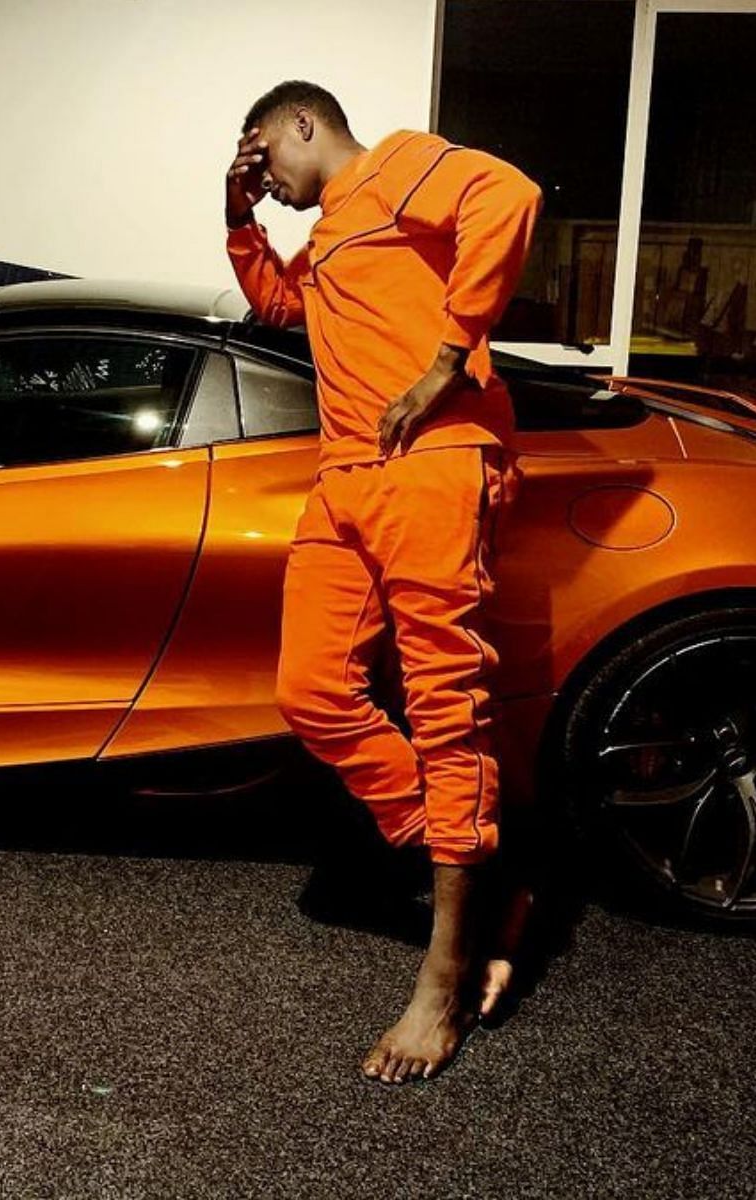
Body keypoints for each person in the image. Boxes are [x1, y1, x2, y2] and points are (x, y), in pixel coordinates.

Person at [222, 81, 543, 1083]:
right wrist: (236, 217)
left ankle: (440, 981)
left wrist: (448, 360)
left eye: (265, 160)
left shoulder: (401, 162)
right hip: (345, 483)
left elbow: (513, 198)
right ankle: (483, 875)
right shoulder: (328, 240)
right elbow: (278, 302)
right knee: (311, 692)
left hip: (433, 464)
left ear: (304, 124)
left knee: (448, 707)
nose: (269, 182)